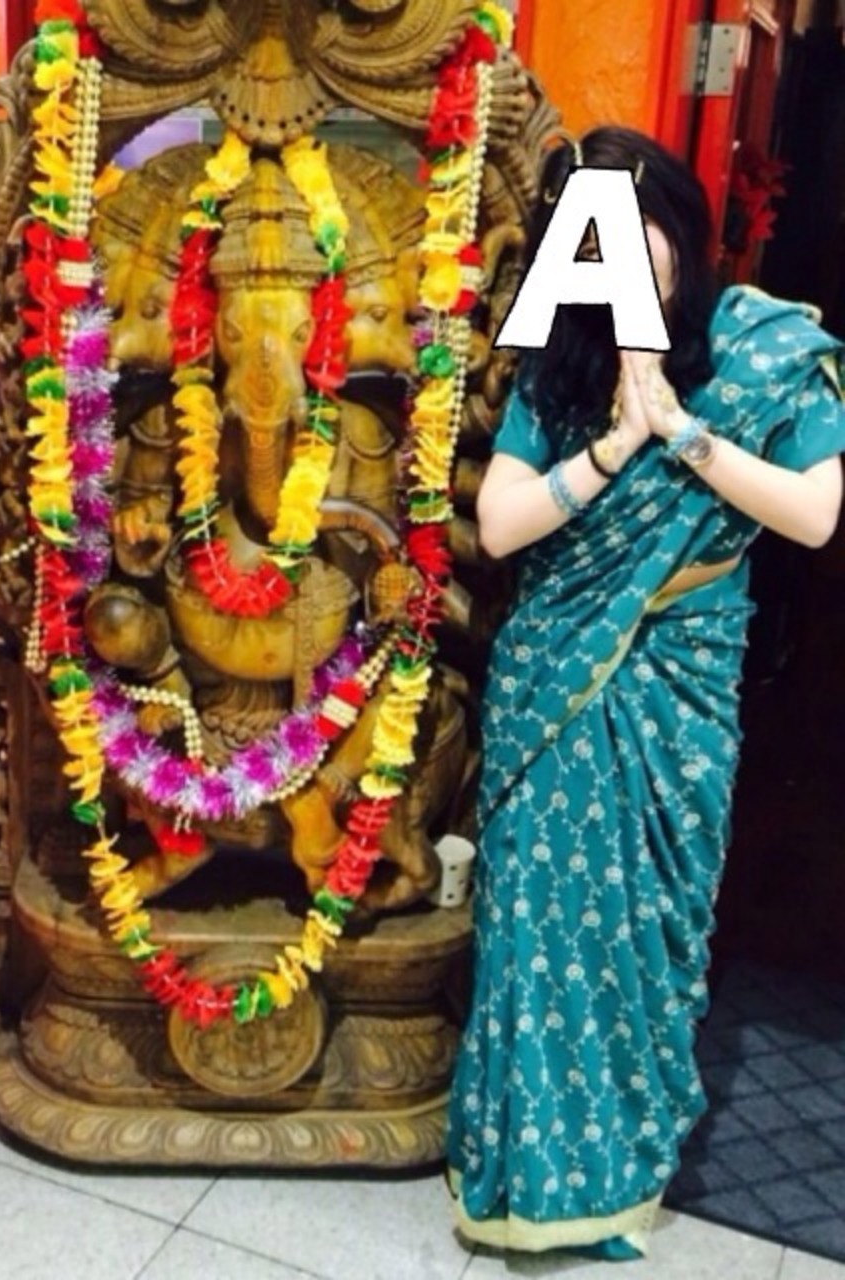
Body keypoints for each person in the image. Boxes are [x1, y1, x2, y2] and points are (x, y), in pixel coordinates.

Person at [446, 125, 845, 1258]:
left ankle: (614, 1177)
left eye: (643, 235)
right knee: (532, 936)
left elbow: (813, 515)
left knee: (641, 939)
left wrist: (681, 430)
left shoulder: (758, 345)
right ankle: (522, 1180)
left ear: (680, 224)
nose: (627, 263)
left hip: (680, 681)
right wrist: (614, 445)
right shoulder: (563, 360)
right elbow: (500, 524)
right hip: (555, 679)